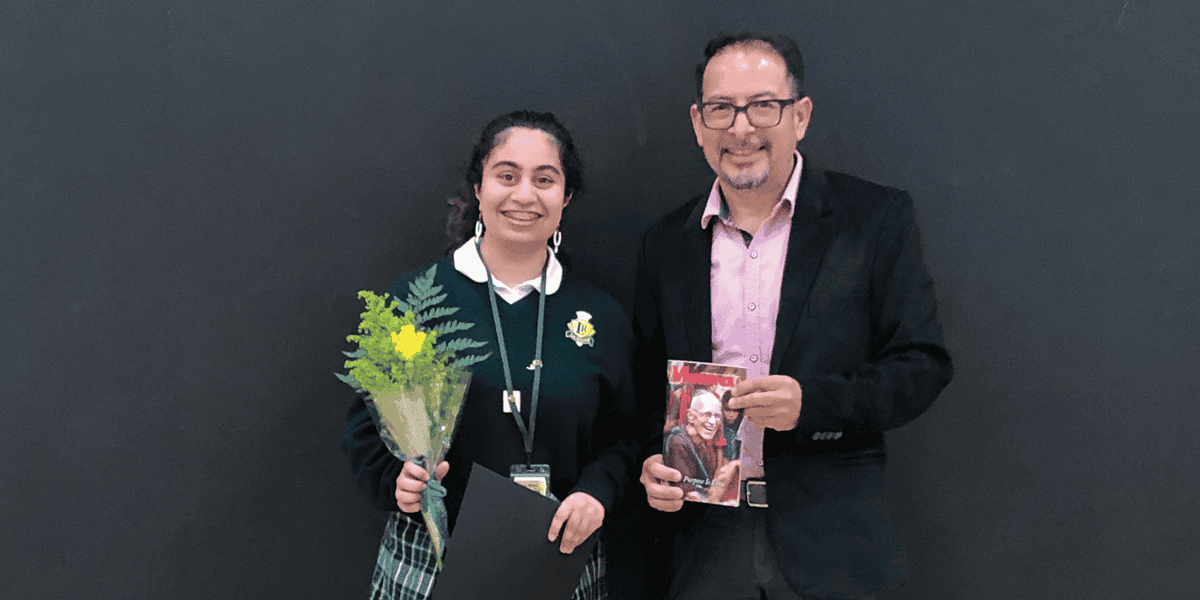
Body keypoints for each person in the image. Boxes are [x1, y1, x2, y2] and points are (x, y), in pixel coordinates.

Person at [633, 32, 953, 599]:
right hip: (703, 542)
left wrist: (812, 403)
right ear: (697, 122)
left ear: (799, 116)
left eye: (763, 106)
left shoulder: (873, 220)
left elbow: (921, 366)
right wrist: (651, 463)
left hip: (833, 542)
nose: (741, 128)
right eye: (721, 109)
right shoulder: (666, 244)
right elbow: (641, 391)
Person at [343, 110, 638, 600]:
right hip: (431, 559)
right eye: (506, 175)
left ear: (565, 199)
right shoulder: (417, 301)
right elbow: (366, 430)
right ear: (479, 189)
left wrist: (597, 493)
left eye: (545, 179)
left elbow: (626, 437)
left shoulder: (599, 315)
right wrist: (398, 480)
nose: (524, 194)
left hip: (559, 562)